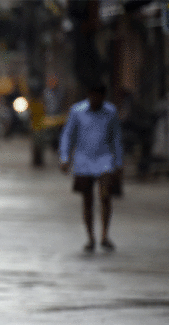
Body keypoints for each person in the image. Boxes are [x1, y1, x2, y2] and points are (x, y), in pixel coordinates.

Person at [59, 82, 123, 252]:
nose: (95, 99)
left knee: (105, 196)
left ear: (103, 97)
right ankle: (90, 237)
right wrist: (65, 158)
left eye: (98, 96)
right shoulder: (77, 111)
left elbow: (116, 138)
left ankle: (104, 235)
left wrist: (119, 163)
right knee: (87, 201)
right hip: (83, 162)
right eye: (92, 96)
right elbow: (68, 135)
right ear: (88, 95)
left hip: (104, 161)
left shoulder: (111, 112)